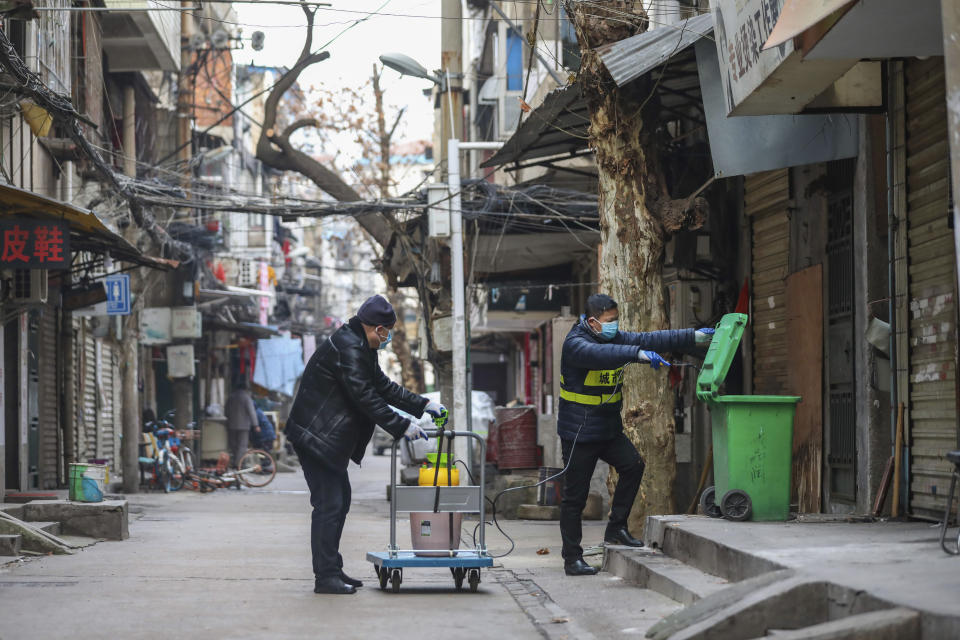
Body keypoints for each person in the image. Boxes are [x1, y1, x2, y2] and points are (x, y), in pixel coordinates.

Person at [285, 294, 447, 595]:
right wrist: (403, 427)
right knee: (329, 505)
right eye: (386, 332)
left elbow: (382, 386)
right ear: (377, 328)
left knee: (338, 501)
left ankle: (332, 570)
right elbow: (365, 397)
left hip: (323, 439)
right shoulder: (349, 348)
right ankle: (325, 577)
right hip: (315, 437)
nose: (387, 339)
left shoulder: (359, 346)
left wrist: (423, 404)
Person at [557, 293, 714, 576]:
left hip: (607, 427)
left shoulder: (611, 337)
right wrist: (636, 354)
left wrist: (694, 336)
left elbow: (652, 339)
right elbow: (603, 355)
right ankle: (572, 558)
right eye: (610, 321)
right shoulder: (576, 345)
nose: (615, 326)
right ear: (593, 322)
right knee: (575, 497)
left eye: (617, 320)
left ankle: (616, 529)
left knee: (632, 466)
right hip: (579, 431)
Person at [225, 380, 258, 468]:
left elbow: (226, 411)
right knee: (242, 445)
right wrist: (256, 425)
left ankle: (235, 462)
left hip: (231, 425)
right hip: (244, 426)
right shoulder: (246, 397)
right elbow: (252, 412)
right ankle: (238, 464)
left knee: (233, 445)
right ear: (245, 389)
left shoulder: (231, 397)